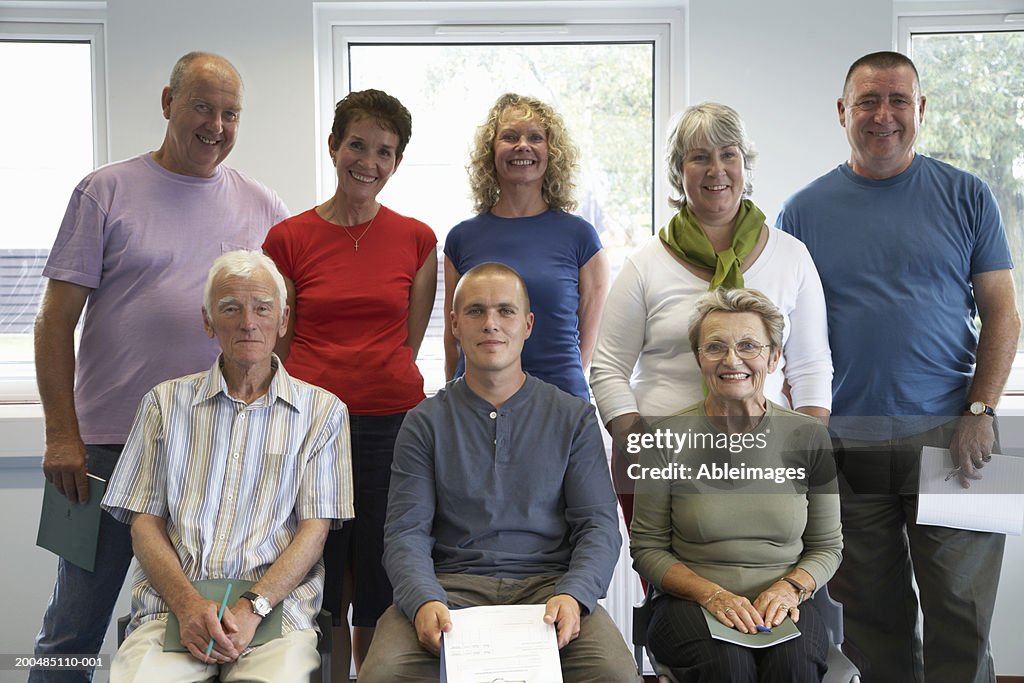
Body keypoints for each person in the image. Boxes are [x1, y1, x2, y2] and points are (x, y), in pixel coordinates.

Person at [30, 51, 289, 682]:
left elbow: (277, 323)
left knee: (195, 625)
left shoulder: (262, 205)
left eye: (231, 113)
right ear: (169, 103)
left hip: (211, 451)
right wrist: (62, 433)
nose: (217, 125)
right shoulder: (104, 191)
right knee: (75, 622)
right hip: (106, 450)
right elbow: (52, 322)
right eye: (203, 106)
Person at [776, 51, 1020, 683]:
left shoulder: (968, 195)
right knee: (870, 616)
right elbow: (786, 334)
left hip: (957, 436)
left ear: (920, 110)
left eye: (897, 100)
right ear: (842, 111)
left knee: (962, 617)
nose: (883, 115)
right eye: (867, 101)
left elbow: (1003, 314)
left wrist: (982, 409)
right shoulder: (802, 212)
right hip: (846, 442)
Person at [359, 263, 640, 683]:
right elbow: (405, 533)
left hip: (550, 591)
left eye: (505, 311)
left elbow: (599, 527)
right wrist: (422, 601)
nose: (491, 324)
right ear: (454, 325)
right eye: (475, 311)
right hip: (450, 591)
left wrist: (574, 593)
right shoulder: (424, 422)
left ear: (527, 325)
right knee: (383, 673)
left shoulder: (574, 417)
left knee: (615, 674)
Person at [101, 251, 352, 682]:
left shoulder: (323, 412)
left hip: (275, 616)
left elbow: (315, 531)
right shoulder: (164, 404)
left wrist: (253, 607)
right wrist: (187, 605)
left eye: (262, 307)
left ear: (284, 319)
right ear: (207, 320)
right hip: (172, 611)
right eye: (230, 308)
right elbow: (143, 523)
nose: (248, 322)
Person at [590, 102, 832, 526]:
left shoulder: (792, 257)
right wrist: (639, 445)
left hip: (767, 459)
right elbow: (608, 368)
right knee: (672, 588)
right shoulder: (645, 264)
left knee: (763, 580)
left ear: (745, 164)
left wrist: (802, 447)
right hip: (662, 462)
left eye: (728, 154)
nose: (716, 169)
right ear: (678, 172)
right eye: (699, 157)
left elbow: (812, 367)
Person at [262, 88, 435, 677]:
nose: (369, 161)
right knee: (321, 572)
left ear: (397, 162)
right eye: (357, 145)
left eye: (384, 151)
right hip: (311, 428)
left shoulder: (417, 239)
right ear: (333, 147)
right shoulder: (288, 239)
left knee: (384, 570)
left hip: (394, 427)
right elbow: (279, 342)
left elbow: (408, 342)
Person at [630, 287, 842, 682]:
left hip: (785, 601)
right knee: (729, 669)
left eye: (748, 346)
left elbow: (828, 546)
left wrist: (790, 588)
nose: (732, 360)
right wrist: (711, 594)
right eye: (715, 347)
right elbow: (647, 549)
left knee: (793, 667)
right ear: (699, 359)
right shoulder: (663, 439)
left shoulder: (810, 437)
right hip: (689, 604)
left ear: (774, 356)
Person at [443, 93, 609, 401]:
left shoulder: (582, 238)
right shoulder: (461, 239)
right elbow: (453, 340)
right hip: (477, 403)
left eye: (536, 137)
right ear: (491, 152)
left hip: (560, 400)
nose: (523, 146)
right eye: (509, 137)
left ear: (552, 152)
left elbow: (587, 343)